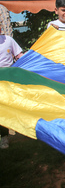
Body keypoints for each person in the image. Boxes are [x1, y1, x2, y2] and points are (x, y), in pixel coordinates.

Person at [0, 16, 23, 149]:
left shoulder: (8, 40)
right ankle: (4, 137)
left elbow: (19, 55)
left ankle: (21, 130)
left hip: (9, 79)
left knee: (14, 105)